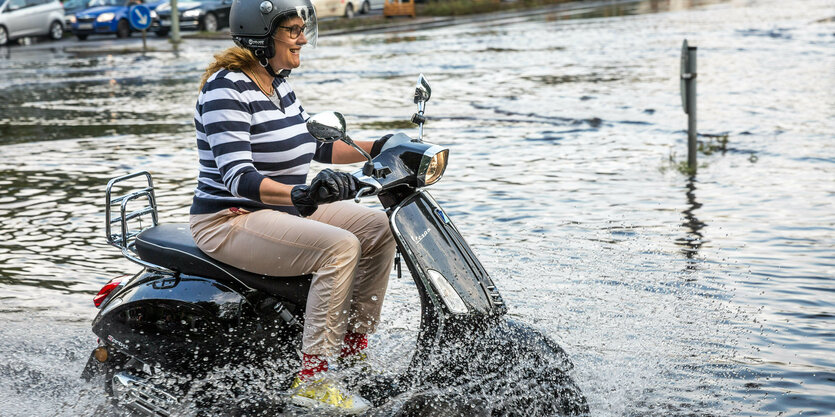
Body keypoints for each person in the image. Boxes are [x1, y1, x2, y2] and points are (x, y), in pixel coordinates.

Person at [188, 0, 395, 413]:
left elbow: (314, 145)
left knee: (379, 231)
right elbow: (237, 177)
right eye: (293, 31)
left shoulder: (278, 82)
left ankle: (353, 352)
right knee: (339, 247)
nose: (302, 39)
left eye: (303, 29)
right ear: (261, 36)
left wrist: (382, 147)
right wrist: (301, 195)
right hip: (229, 217)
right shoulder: (226, 89)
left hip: (280, 209)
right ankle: (314, 380)